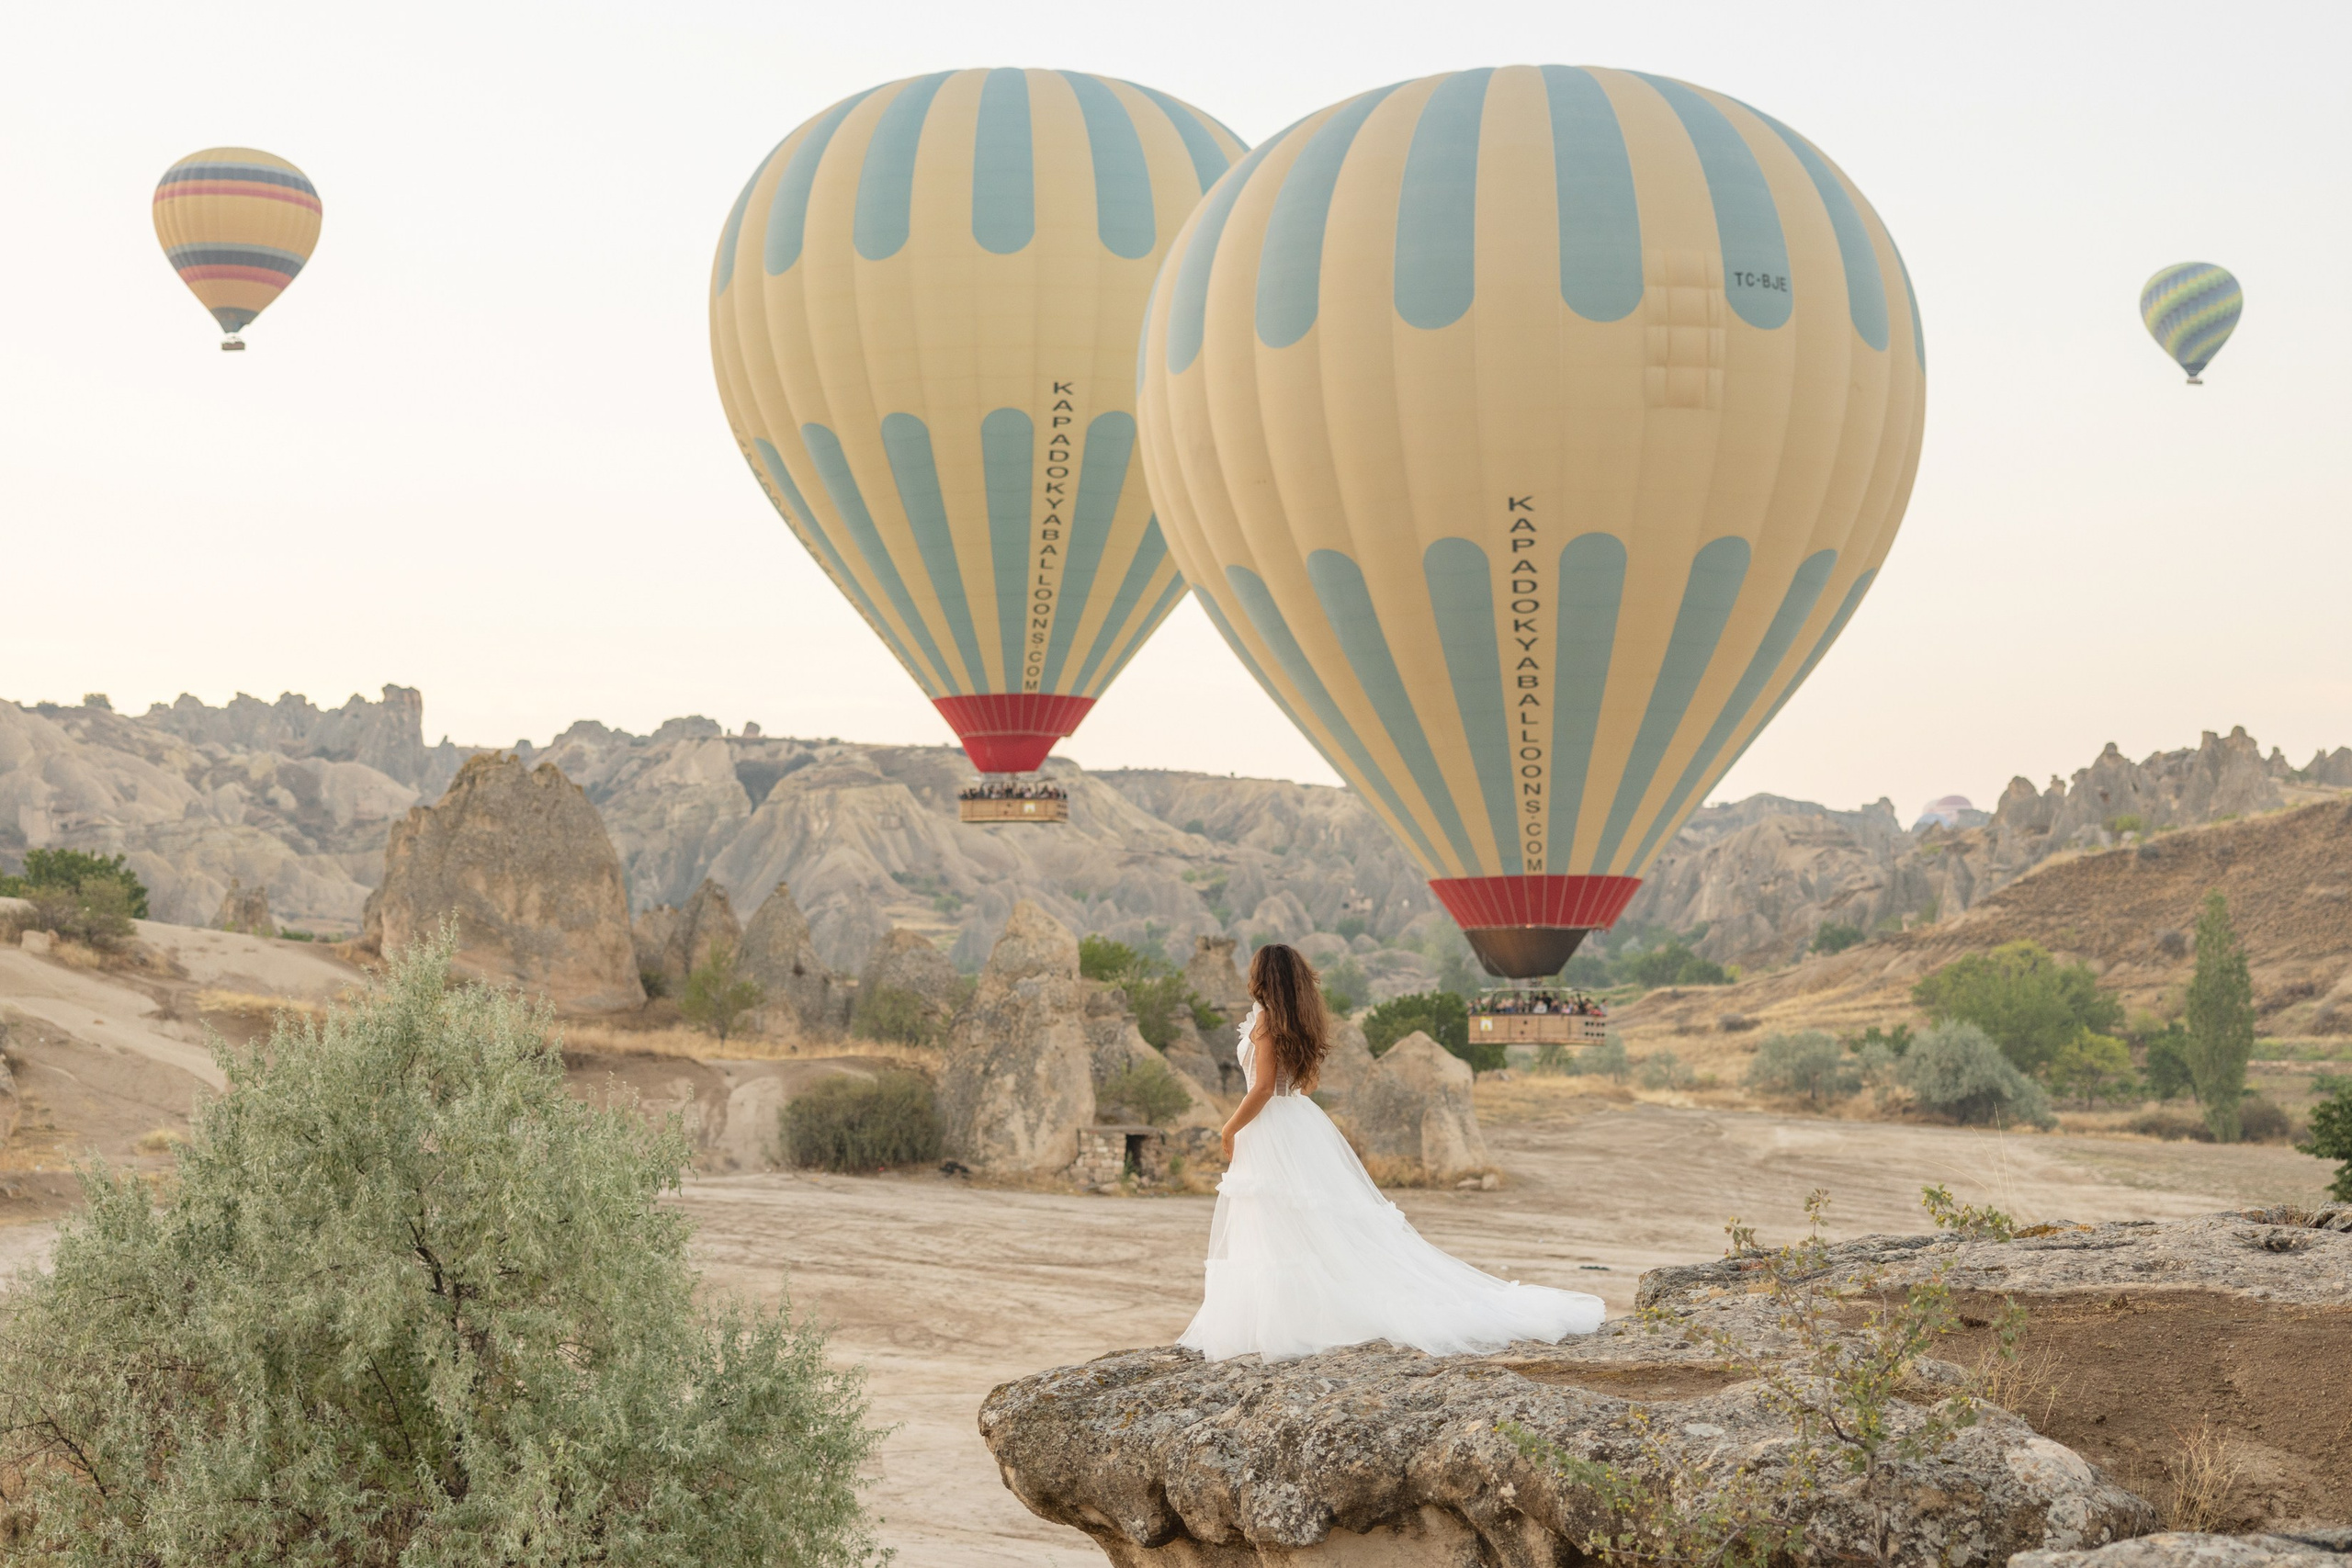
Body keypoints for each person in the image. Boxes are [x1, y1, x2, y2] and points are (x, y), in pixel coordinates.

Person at [1178, 943, 1603, 1362]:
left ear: (1261, 977)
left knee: (1276, 1221)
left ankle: (1279, 1323)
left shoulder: (1268, 1021)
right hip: (1297, 1123)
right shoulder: (1296, 1020)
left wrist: (1230, 1126)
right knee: (1303, 1221)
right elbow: (1302, 1086)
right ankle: (1290, 1318)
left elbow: (1265, 1087)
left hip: (1271, 1125)